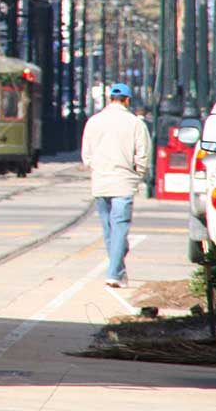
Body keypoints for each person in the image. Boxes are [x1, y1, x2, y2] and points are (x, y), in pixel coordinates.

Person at [81, 82, 150, 288]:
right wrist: (137, 176)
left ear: (110, 98)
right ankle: (115, 272)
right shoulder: (136, 123)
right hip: (123, 183)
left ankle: (117, 268)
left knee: (109, 229)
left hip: (101, 183)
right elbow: (143, 155)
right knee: (119, 228)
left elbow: (87, 155)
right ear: (127, 100)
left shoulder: (94, 121)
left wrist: (98, 169)